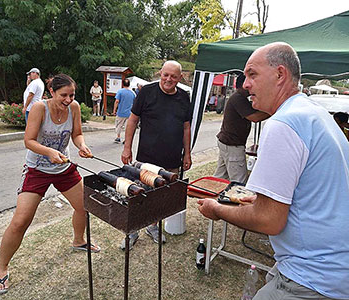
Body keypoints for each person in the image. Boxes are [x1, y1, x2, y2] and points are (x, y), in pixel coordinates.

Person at [197, 42, 349, 299]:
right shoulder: (315, 113)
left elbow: (270, 220)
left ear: (280, 75)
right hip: (333, 267)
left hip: (313, 275)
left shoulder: (283, 123)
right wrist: (260, 200)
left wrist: (217, 210)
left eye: (252, 74)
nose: (245, 84)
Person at [0, 74, 100, 295]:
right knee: (21, 221)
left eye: (72, 95)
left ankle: (79, 241)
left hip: (64, 167)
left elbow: (77, 134)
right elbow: (29, 141)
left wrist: (82, 146)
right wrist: (49, 151)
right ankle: (2, 269)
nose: (68, 99)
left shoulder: (75, 107)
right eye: (64, 95)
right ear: (52, 92)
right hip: (37, 170)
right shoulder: (40, 108)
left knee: (84, 207)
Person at [120, 60, 192, 250]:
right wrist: (127, 147)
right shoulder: (146, 92)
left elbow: (186, 127)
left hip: (172, 158)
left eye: (173, 76)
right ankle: (132, 231)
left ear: (180, 78)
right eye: (165, 75)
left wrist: (188, 154)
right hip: (147, 157)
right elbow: (133, 120)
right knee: (139, 195)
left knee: (163, 197)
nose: (168, 79)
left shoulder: (184, 97)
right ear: (160, 73)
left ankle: (153, 227)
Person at [214, 73, 269, 183]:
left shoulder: (240, 97)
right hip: (232, 145)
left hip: (227, 142)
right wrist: (273, 111)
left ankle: (211, 197)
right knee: (239, 182)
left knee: (220, 179)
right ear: (244, 85)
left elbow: (255, 109)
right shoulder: (238, 98)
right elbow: (255, 117)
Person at [112, 78, 135, 143]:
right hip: (129, 113)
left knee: (119, 125)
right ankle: (126, 139)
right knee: (127, 127)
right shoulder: (133, 93)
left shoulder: (120, 91)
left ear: (122, 84)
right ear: (129, 84)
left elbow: (117, 101)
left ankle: (118, 137)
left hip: (121, 112)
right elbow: (135, 102)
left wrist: (114, 110)